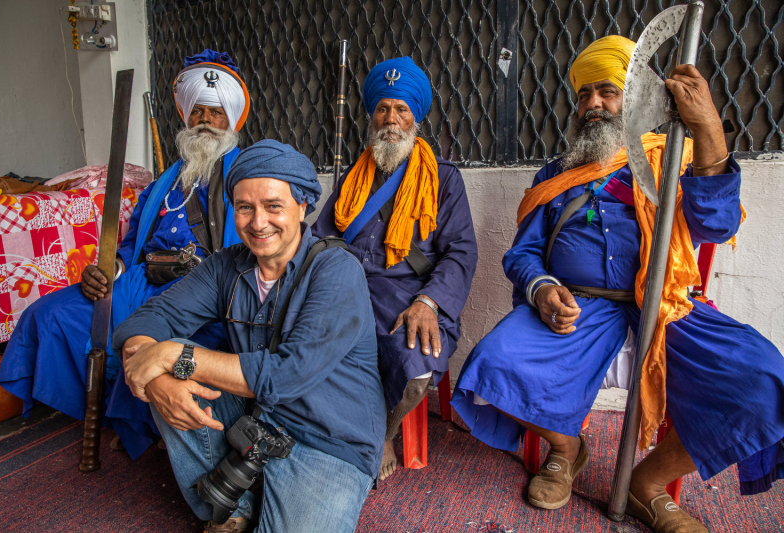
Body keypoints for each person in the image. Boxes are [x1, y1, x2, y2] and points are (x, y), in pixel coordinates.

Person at [451, 35, 784, 533]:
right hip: (581, 311)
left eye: (607, 91)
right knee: (493, 362)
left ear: (637, 98)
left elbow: (717, 225)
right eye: (584, 95)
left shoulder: (673, 158)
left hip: (669, 309)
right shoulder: (557, 176)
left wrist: (709, 128)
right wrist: (542, 289)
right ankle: (567, 448)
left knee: (763, 380)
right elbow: (522, 253)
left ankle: (645, 486)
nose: (593, 105)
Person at [112, 140, 385, 533]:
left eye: (273, 206)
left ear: (302, 206)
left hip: (327, 437)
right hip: (255, 416)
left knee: (171, 362)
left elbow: (286, 375)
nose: (258, 223)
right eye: (244, 207)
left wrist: (175, 355)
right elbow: (151, 317)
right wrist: (149, 367)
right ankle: (236, 509)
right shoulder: (226, 266)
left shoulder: (336, 271)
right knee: (163, 377)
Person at [0, 49, 252, 458]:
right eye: (198, 112)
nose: (205, 120)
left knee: (151, 346)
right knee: (50, 314)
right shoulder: (164, 182)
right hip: (138, 280)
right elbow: (132, 244)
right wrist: (110, 268)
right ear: (186, 117)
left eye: (216, 112)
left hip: (201, 290)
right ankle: (109, 414)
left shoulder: (245, 174)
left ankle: (137, 422)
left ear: (232, 120)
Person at [312, 56, 478, 481]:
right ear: (372, 116)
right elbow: (322, 237)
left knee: (415, 355)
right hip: (349, 285)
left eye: (401, 109)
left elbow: (460, 252)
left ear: (416, 118)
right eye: (383, 109)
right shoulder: (354, 176)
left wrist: (430, 301)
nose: (391, 119)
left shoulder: (444, 179)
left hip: (409, 292)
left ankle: (384, 430)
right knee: (301, 334)